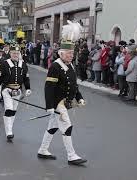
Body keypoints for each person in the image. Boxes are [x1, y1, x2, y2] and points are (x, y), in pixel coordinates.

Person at [37, 21, 87, 166]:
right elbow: (49, 87)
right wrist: (49, 106)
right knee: (67, 127)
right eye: (70, 53)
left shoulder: (70, 65)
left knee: (52, 127)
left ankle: (42, 149)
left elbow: (73, 85)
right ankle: (71, 156)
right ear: (62, 53)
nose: (72, 55)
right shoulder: (55, 66)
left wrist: (79, 97)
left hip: (65, 102)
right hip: (58, 103)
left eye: (73, 53)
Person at [0, 44, 31, 142]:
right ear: (10, 53)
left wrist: (28, 88)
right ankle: (9, 131)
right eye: (13, 53)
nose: (15, 55)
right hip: (7, 90)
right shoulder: (4, 63)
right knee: (9, 109)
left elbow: (26, 78)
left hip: (18, 91)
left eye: (17, 53)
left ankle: (10, 128)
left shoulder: (23, 64)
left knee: (14, 110)